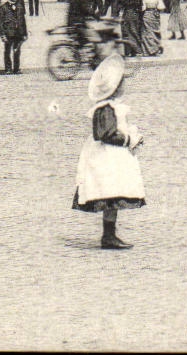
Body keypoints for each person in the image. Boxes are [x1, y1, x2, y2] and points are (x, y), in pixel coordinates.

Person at [71, 52, 145, 250]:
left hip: (109, 155)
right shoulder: (106, 109)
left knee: (112, 194)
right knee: (110, 192)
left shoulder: (109, 107)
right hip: (107, 157)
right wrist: (128, 139)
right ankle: (108, 235)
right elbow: (105, 134)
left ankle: (109, 234)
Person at [0, 0, 29, 74]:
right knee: (7, 51)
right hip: (8, 33)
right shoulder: (3, 7)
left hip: (18, 33)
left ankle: (16, 68)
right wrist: (2, 35)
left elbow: (23, 21)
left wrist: (25, 34)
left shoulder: (20, 7)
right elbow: (0, 23)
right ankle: (8, 68)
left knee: (17, 51)